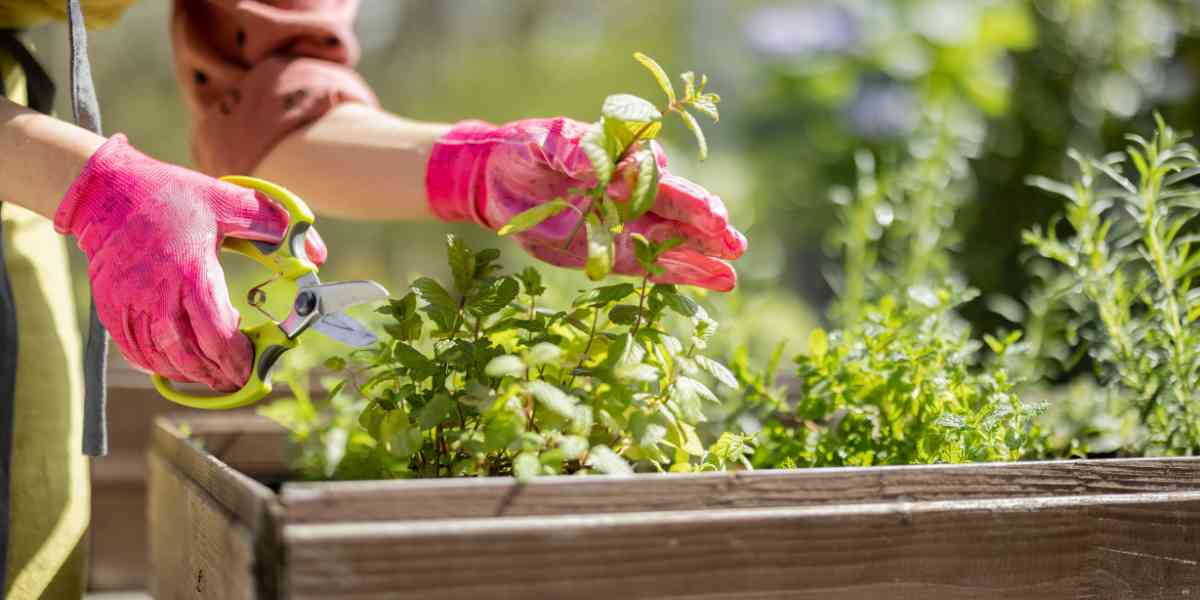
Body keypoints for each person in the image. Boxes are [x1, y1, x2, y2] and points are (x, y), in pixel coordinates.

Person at [0, 1, 746, 597]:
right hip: (39, 162)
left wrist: (474, 170)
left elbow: (272, 109)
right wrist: (90, 186)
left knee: (31, 530)